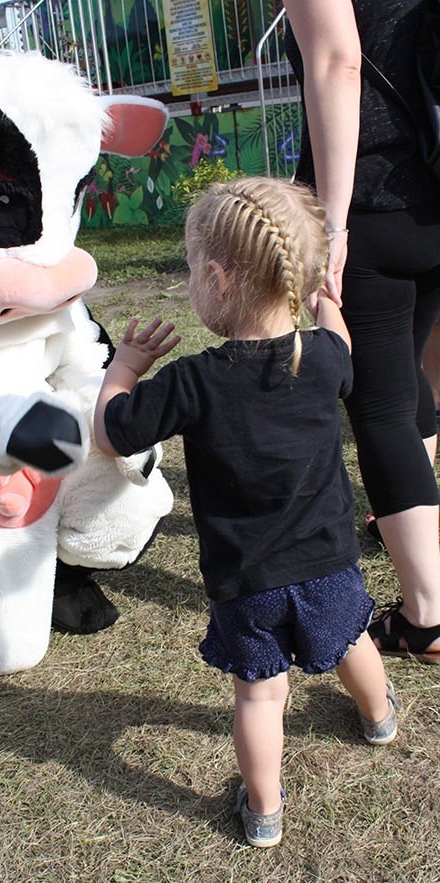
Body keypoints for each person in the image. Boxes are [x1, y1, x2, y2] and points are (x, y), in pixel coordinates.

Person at [93, 177, 399, 848]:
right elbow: (341, 343)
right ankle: (379, 718)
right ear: (299, 276)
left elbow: (113, 432)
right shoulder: (321, 358)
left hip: (246, 584)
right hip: (329, 566)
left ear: (217, 276)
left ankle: (264, 812)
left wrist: (124, 367)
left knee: (260, 695)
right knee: (350, 638)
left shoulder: (191, 381)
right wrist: (325, 304)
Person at [285, 0, 440, 664]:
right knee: (406, 380)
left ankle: (426, 615)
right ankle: (407, 524)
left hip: (372, 198)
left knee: (379, 407)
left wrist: (334, 224)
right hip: (433, 194)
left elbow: (336, 60)